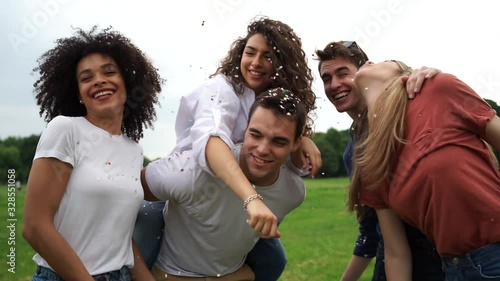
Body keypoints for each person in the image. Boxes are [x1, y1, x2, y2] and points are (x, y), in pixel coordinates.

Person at [133, 16, 321, 281]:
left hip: (234, 202)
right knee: (144, 238)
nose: (255, 63)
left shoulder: (278, 102)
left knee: (273, 261)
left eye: (267, 56)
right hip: (190, 182)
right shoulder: (222, 88)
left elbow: (283, 161)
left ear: (282, 64)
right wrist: (251, 199)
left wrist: (303, 139)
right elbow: (211, 141)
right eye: (250, 53)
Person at [22, 26, 163, 281]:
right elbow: (35, 227)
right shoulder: (65, 130)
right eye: (86, 78)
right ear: (78, 93)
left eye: (109, 72)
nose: (99, 80)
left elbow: (118, 238)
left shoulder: (134, 150)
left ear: (127, 82)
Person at [349, 59, 500, 280]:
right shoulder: (370, 158)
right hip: (455, 270)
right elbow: (396, 253)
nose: (369, 61)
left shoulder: (436, 89)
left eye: (386, 60)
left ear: (403, 74)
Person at [142, 88, 308, 280]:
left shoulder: (293, 192)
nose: (263, 149)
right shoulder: (191, 170)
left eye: (278, 142)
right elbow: (130, 190)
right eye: (255, 134)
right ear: (244, 129)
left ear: (297, 143)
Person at [315, 41, 444, 281]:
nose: (334, 85)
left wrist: (424, 77)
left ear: (365, 71)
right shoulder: (352, 151)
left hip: (443, 264)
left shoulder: (408, 109)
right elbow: (371, 230)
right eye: (326, 78)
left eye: (343, 73)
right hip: (391, 266)